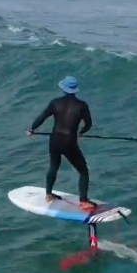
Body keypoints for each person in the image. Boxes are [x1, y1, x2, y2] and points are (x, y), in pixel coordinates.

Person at [28, 76, 95, 211]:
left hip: (54, 139)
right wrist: (81, 132)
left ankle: (48, 195)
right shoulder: (82, 106)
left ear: (63, 89)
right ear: (75, 90)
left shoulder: (55, 103)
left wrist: (32, 129)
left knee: (53, 166)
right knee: (83, 172)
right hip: (69, 141)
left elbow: (42, 117)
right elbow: (89, 124)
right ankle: (83, 201)